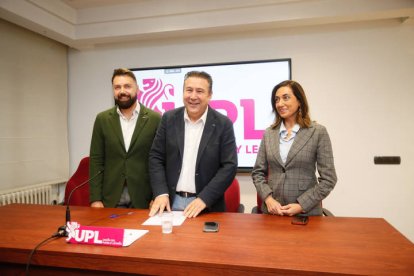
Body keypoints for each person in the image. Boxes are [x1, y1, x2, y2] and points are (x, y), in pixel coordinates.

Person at [149, 71, 238, 218]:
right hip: (170, 203)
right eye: (189, 90)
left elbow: (229, 166)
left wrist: (204, 198)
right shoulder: (168, 119)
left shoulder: (223, 124)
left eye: (200, 91)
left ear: (210, 95)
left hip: (206, 206)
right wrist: (161, 192)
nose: (193, 96)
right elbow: (155, 157)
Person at [252, 80, 337, 216]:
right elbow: (257, 173)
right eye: (277, 99)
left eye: (286, 97)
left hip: (305, 214)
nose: (280, 104)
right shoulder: (269, 133)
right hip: (273, 213)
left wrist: (301, 205)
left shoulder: (317, 132)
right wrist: (268, 200)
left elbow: (329, 179)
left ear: (299, 101)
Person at [89, 68, 161, 208]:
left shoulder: (155, 119)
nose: (122, 91)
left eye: (127, 86)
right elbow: (96, 160)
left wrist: (157, 195)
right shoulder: (102, 119)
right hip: (111, 197)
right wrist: (95, 199)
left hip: (144, 198)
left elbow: (160, 161)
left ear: (138, 89)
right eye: (117, 87)